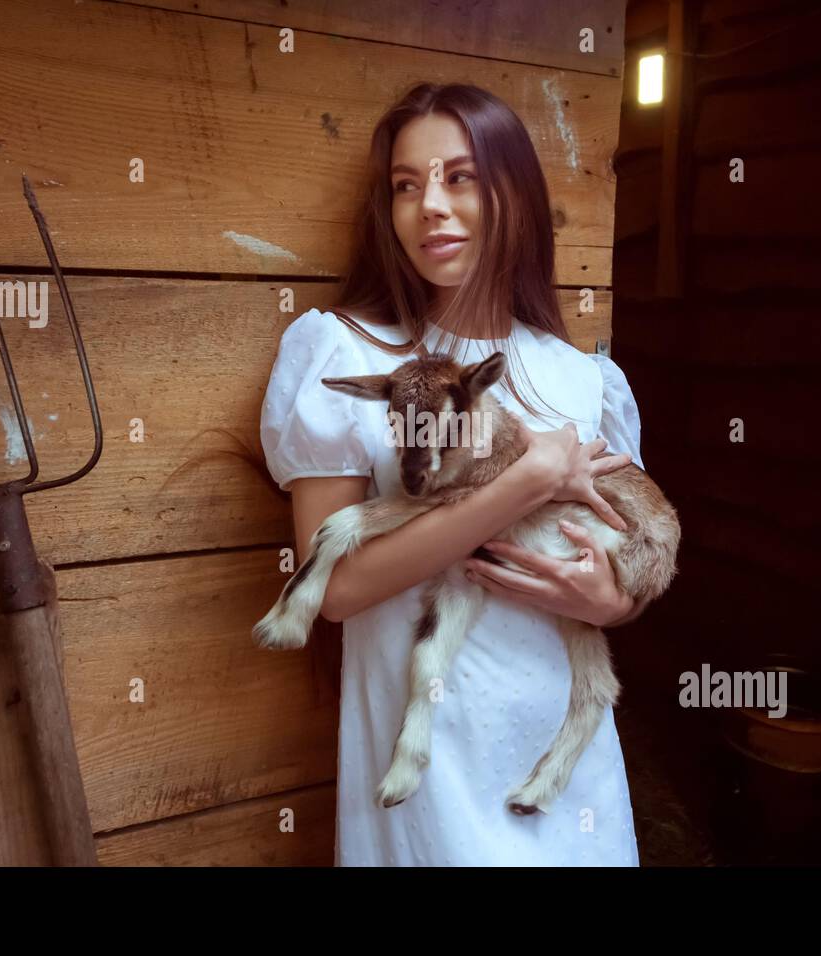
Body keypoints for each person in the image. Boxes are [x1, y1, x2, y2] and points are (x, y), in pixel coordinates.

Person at [260, 83, 650, 866]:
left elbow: (623, 559)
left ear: (515, 194)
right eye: (407, 185)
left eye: (459, 177)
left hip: (563, 758)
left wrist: (616, 602)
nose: (429, 205)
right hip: (430, 762)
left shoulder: (580, 378)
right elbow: (335, 590)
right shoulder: (347, 353)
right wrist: (522, 482)